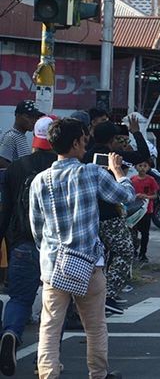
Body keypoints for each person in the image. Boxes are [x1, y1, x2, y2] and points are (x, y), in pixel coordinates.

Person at [30, 118, 133, 379]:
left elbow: (37, 228)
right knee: (95, 326)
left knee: (50, 326)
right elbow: (126, 198)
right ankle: (98, 373)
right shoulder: (92, 173)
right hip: (88, 263)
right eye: (84, 140)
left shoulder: (40, 181)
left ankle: (48, 373)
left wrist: (49, 252)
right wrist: (119, 173)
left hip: (54, 264)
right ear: (76, 143)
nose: (85, 145)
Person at [0, 116, 57, 376]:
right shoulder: (64, 166)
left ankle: (10, 332)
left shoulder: (16, 168)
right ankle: (45, 361)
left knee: (20, 299)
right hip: (56, 246)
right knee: (55, 304)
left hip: (22, 243)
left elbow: (7, 209)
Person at [83, 116, 149, 315]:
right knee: (124, 250)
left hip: (88, 215)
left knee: (99, 257)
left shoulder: (85, 156)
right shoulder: (113, 156)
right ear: (112, 140)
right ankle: (108, 295)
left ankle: (96, 295)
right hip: (109, 214)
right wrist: (137, 132)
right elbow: (143, 155)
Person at [129, 157, 159, 263]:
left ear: (148, 167)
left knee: (145, 233)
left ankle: (143, 253)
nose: (142, 168)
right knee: (133, 232)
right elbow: (129, 195)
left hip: (147, 210)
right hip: (134, 210)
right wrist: (136, 196)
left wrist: (146, 196)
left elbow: (155, 195)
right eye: (140, 166)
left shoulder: (151, 180)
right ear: (136, 167)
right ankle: (133, 252)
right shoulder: (132, 180)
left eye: (145, 166)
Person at [0, 100, 43, 168]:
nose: (34, 121)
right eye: (29, 117)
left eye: (36, 118)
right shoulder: (11, 136)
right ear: (18, 116)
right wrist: (18, 173)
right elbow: (1, 161)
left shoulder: (20, 136)